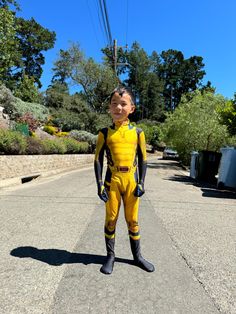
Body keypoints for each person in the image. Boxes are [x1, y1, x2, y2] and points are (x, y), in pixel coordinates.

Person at [94, 85, 155, 275]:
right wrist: (99, 185)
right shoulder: (104, 133)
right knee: (111, 219)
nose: (118, 108)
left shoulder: (138, 133)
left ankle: (137, 257)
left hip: (131, 180)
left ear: (132, 108)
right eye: (114, 104)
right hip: (112, 181)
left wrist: (142, 183)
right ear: (109, 108)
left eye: (123, 104)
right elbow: (97, 159)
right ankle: (110, 256)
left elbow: (144, 159)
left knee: (133, 220)